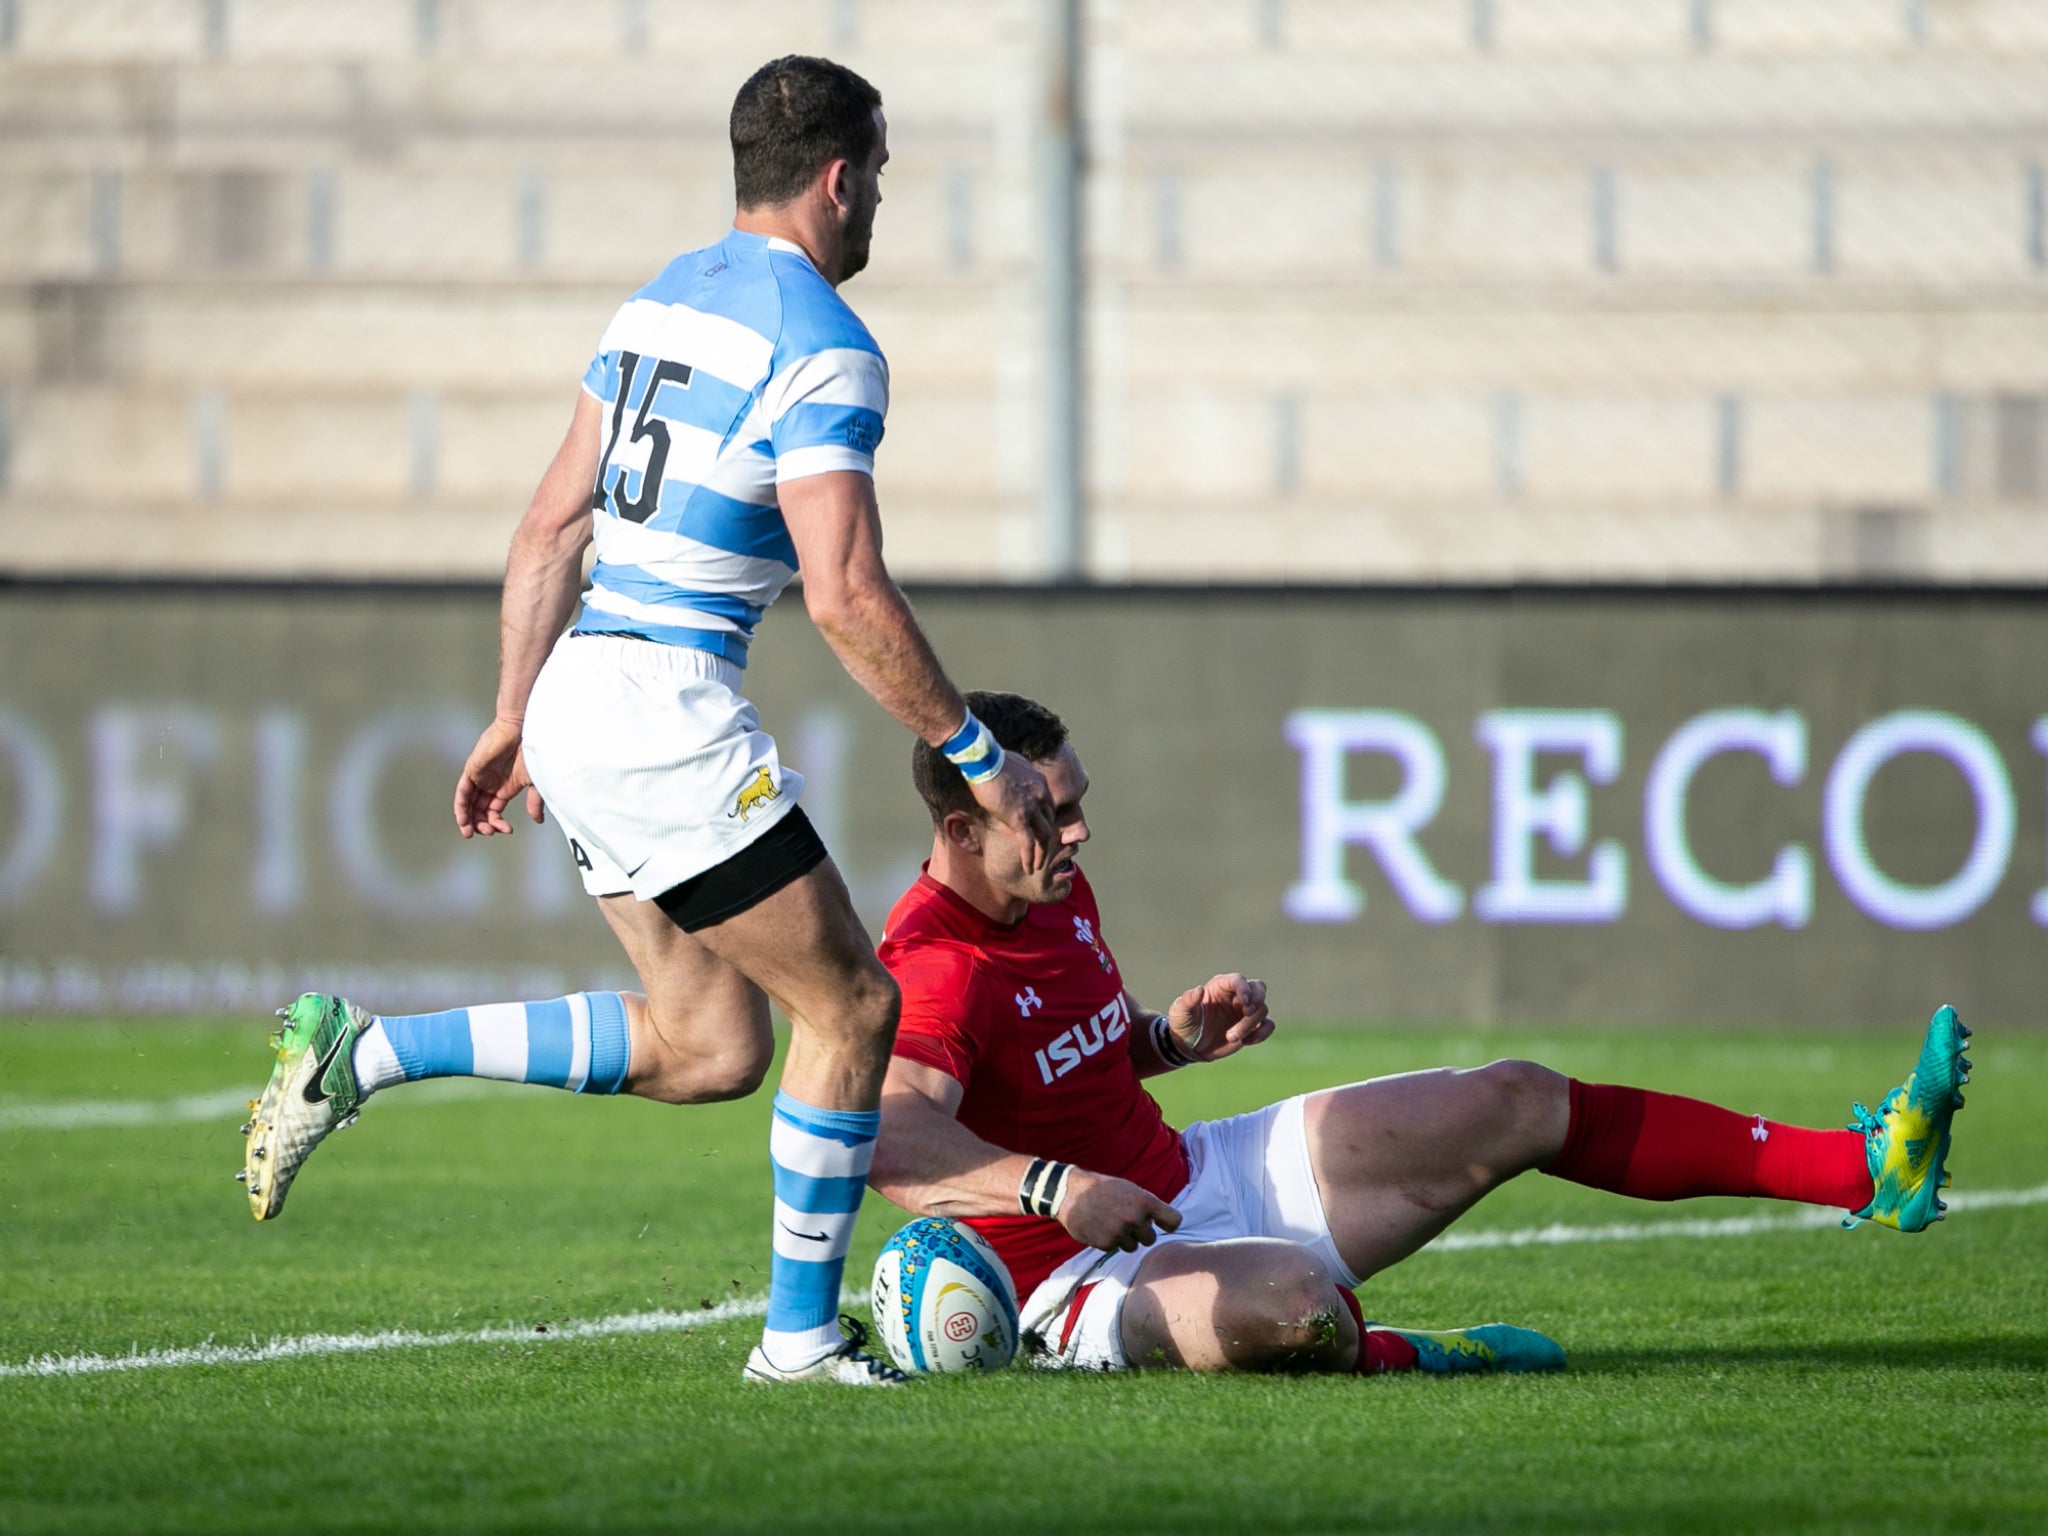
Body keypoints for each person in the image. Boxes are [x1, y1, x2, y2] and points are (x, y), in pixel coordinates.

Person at [238, 57, 1054, 1388]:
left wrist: (517, 710)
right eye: (881, 182)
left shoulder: (656, 300)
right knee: (853, 1007)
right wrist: (980, 754)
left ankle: (364, 1050)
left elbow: (548, 521)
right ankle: (798, 1345)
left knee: (713, 1046)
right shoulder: (829, 348)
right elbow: (845, 594)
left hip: (581, 689)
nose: (878, 210)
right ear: (840, 181)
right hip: (660, 706)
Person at [868, 691, 1971, 1376]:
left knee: (1514, 1097)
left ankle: (1869, 1168)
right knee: (1298, 1316)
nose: (1077, 830)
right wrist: (1059, 1192)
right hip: (1071, 1278)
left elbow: (1065, 1063)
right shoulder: (930, 968)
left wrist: (1165, 1039)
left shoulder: (1053, 890)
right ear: (961, 829)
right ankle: (1403, 1356)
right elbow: (896, 1142)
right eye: (1048, 814)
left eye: (1075, 801)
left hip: (1184, 1174)